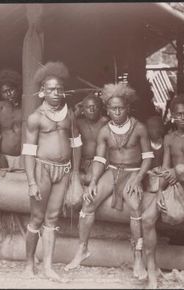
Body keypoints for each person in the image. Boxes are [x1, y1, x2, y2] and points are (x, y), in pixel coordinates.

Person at [64, 83, 152, 280]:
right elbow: (100, 159)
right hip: (112, 171)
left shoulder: (139, 128)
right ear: (108, 109)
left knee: (135, 206)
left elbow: (148, 157)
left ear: (128, 108)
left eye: (121, 108)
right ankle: (82, 249)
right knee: (88, 201)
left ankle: (138, 257)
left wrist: (138, 179)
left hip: (133, 171)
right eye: (113, 108)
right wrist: (94, 181)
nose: (117, 112)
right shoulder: (105, 131)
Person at [22, 61, 82, 282]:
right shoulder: (35, 117)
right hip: (42, 170)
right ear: (42, 92)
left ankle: (47, 267)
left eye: (59, 89)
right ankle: (29, 264)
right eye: (51, 89)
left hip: (63, 171)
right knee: (37, 217)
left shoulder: (70, 114)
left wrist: (75, 174)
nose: (56, 93)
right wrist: (31, 182)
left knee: (52, 218)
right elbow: (28, 152)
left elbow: (76, 144)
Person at [142, 96, 184, 289]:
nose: (182, 117)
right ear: (172, 117)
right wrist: (159, 193)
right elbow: (166, 169)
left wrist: (181, 171)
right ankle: (152, 271)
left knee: (182, 168)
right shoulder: (169, 138)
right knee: (148, 218)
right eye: (178, 114)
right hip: (174, 185)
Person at [75, 95, 109, 184]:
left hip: (99, 162)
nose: (92, 110)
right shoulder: (78, 122)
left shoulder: (106, 122)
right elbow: (65, 126)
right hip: (82, 162)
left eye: (95, 107)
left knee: (88, 179)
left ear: (100, 109)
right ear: (83, 110)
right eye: (88, 107)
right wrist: (76, 112)